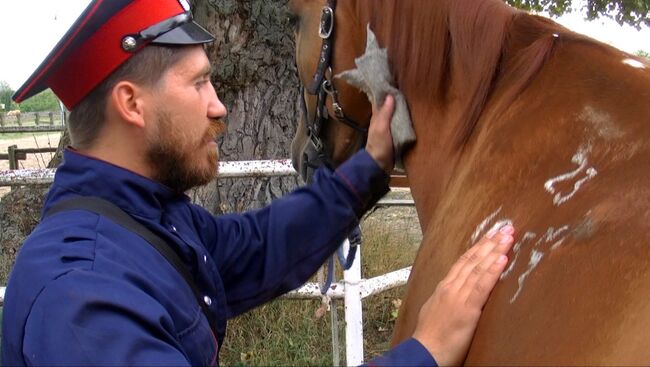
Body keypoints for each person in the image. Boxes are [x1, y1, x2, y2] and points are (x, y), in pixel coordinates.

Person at [1, 0, 515, 365]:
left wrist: (371, 165)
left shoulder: (147, 223)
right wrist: (423, 353)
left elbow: (260, 246)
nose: (219, 106)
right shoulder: (83, 297)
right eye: (200, 82)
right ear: (132, 104)